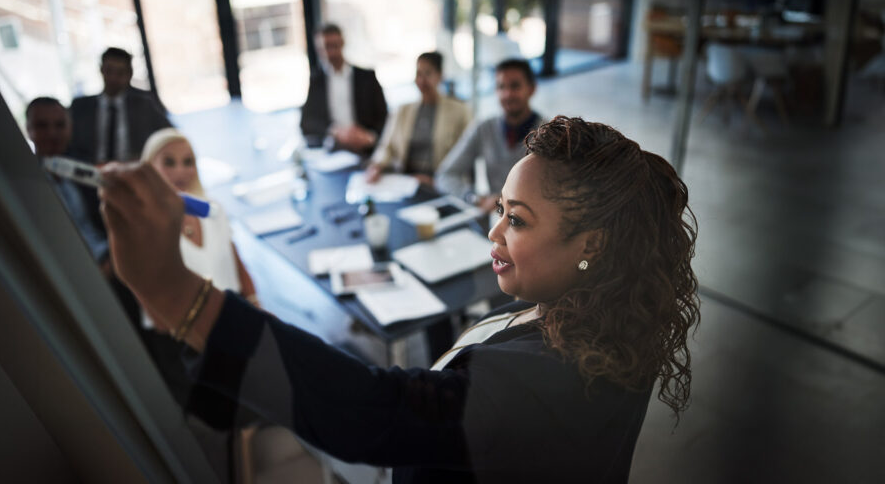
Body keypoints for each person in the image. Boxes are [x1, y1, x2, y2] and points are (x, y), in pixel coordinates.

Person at [98, 116, 701, 483]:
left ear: (588, 244)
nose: (493, 232)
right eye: (498, 210)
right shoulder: (609, 318)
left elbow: (378, 413)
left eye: (516, 220)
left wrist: (179, 295)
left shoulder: (553, 383)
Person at [140, 128, 257, 304]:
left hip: (236, 309)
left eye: (188, 162)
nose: (180, 171)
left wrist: (255, 302)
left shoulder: (212, 209)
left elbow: (235, 260)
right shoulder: (145, 228)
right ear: (149, 168)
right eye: (169, 162)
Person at [436, 58, 545, 213]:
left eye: (515, 86)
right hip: (495, 221)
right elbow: (445, 175)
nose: (507, 94)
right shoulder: (484, 128)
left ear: (532, 89)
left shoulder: (549, 135)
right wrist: (473, 197)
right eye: (501, 87)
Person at [366, 52, 472, 187]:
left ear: (440, 76)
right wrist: (376, 166)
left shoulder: (459, 110)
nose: (421, 80)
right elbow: (386, 146)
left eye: (428, 73)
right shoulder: (403, 110)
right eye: (418, 74)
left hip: (439, 182)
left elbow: (465, 157)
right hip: (406, 181)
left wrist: (436, 181)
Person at [25, 96, 109, 264]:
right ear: (28, 129)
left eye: (59, 125)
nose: (52, 133)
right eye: (42, 126)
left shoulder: (86, 167)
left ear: (70, 128)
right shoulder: (26, 182)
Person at [67, 47, 170, 164]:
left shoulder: (145, 105)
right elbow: (70, 146)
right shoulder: (81, 107)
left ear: (129, 74)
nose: (113, 78)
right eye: (109, 71)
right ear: (101, 70)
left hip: (134, 171)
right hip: (91, 172)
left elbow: (169, 137)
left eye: (120, 73)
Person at [300, 24, 388, 154]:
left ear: (342, 43)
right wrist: (335, 131)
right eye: (326, 47)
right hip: (334, 149)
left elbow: (384, 117)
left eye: (334, 46)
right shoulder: (316, 81)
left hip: (366, 147)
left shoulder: (366, 77)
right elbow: (307, 122)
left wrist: (370, 137)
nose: (331, 53)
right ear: (318, 49)